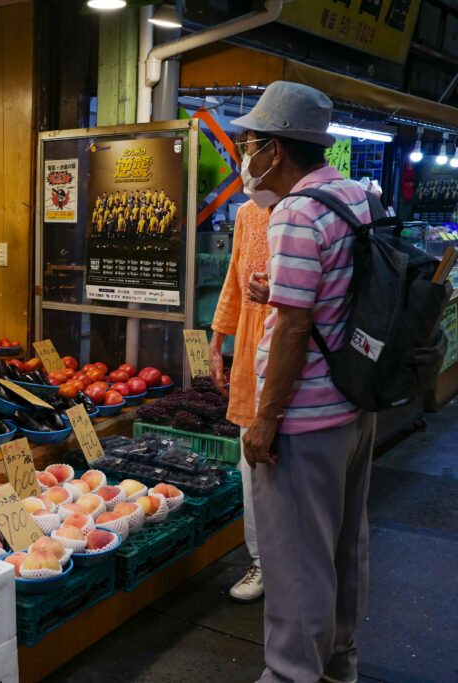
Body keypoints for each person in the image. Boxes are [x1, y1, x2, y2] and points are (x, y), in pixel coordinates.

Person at [232, 81, 376, 683]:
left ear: (275, 150)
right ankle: (340, 664)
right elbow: (333, 294)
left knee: (294, 563)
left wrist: (265, 418)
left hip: (305, 418)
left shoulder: (295, 211)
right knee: (345, 545)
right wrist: (281, 293)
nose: (246, 156)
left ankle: (292, 674)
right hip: (353, 405)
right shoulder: (354, 195)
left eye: (250, 143)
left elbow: (292, 329)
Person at [208, 196, 273, 603]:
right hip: (251, 350)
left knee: (293, 461)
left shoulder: (307, 209)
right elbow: (234, 279)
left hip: (294, 344)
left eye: (251, 146)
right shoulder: (248, 213)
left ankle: (295, 560)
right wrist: (217, 342)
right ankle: (261, 560)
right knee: (251, 463)